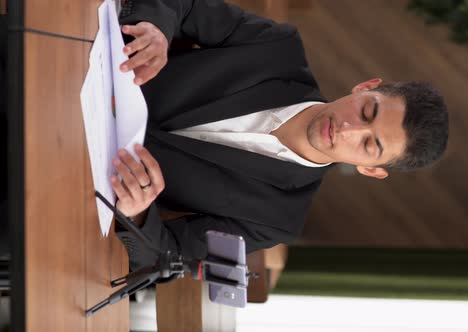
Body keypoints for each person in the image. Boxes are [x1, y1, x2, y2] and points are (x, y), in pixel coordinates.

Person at [114, 0, 449, 270]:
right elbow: (184, 4)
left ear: (371, 170)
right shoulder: (277, 47)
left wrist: (138, 214)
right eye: (367, 111)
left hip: (91, 180)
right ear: (365, 87)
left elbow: (169, 257)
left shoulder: (276, 219)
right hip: (87, 72)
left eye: (369, 144)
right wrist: (158, 28)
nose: (349, 129)